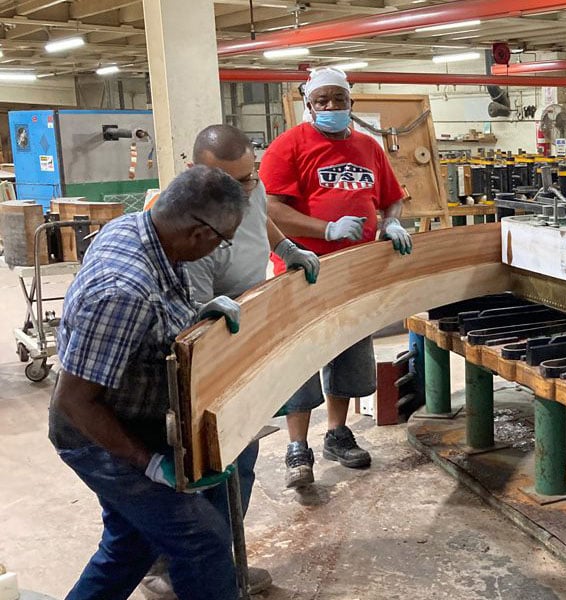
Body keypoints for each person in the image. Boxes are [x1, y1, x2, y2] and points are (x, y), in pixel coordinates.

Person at [136, 125, 322, 599]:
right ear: (195, 172)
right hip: (207, 345)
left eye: (250, 178)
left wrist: (286, 249)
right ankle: (176, 568)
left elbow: (261, 217)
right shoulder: (187, 226)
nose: (246, 190)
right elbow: (188, 325)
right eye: (234, 182)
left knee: (243, 460)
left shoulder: (248, 189)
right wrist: (210, 318)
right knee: (204, 466)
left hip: (244, 329)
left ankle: (219, 559)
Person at [49, 165, 249, 600]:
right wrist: (148, 462)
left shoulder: (146, 230)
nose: (220, 250)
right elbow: (75, 401)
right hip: (95, 434)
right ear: (199, 232)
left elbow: (147, 324)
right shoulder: (123, 288)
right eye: (223, 240)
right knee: (203, 541)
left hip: (125, 411)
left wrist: (193, 317)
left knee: (131, 544)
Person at [261, 67, 413, 489]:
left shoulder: (368, 147)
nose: (330, 107)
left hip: (354, 272)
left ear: (351, 102)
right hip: (303, 272)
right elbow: (271, 210)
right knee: (300, 359)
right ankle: (297, 446)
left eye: (338, 100)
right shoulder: (288, 146)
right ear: (309, 105)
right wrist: (324, 230)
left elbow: (392, 199)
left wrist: (391, 224)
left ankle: (337, 433)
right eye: (321, 101)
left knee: (346, 350)